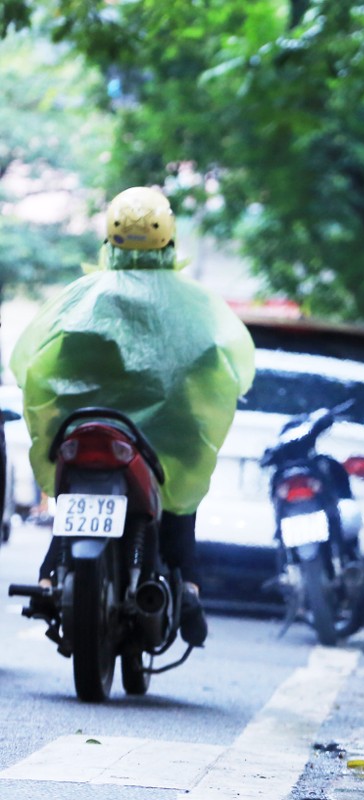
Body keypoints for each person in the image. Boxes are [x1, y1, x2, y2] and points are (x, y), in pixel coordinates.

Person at [11, 186, 255, 648]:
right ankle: (187, 587)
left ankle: (48, 578)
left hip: (84, 434)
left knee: (72, 508)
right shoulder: (194, 307)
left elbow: (41, 369)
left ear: (109, 240)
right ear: (170, 241)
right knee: (179, 508)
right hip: (158, 446)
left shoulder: (81, 301)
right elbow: (218, 374)